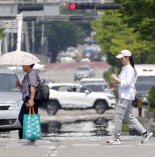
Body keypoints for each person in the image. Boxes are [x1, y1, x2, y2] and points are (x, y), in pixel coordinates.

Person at [107, 49, 153, 145]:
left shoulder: (130, 70)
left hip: (126, 96)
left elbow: (127, 84)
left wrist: (115, 79)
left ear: (127, 58)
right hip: (125, 95)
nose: (120, 59)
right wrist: (114, 85)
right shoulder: (125, 69)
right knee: (129, 117)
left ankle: (116, 138)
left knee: (118, 115)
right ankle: (145, 133)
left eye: (122, 58)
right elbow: (124, 83)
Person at [16, 64, 40, 145]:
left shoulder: (32, 74)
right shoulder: (27, 75)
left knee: (27, 118)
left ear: (28, 65)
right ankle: (31, 138)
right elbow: (24, 91)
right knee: (27, 118)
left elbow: (34, 87)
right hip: (28, 100)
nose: (22, 66)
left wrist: (32, 99)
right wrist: (19, 85)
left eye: (23, 64)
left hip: (31, 100)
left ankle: (32, 139)